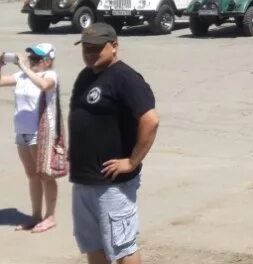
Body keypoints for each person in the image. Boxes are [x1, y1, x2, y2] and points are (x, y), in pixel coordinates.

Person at [70, 23, 159, 264]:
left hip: (112, 185)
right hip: (84, 180)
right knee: (93, 245)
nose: (90, 53)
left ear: (114, 46)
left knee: (123, 248)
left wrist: (131, 162)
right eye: (86, 48)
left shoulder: (125, 78)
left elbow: (150, 121)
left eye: (96, 48)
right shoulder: (86, 75)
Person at [0, 44, 59, 233]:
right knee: (32, 175)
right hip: (22, 132)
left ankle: (50, 217)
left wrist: (23, 66)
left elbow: (43, 86)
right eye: (31, 57)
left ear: (48, 61)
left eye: (36, 59)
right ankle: (35, 216)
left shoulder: (50, 76)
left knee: (45, 175)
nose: (32, 60)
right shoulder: (22, 76)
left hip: (40, 132)